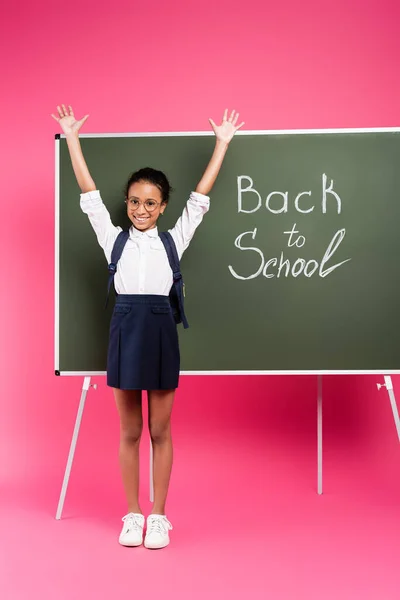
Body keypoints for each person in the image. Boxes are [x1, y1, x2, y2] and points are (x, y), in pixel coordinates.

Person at [51, 104, 244, 549]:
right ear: (128, 203)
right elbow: (88, 196)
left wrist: (222, 144)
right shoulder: (112, 237)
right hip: (123, 331)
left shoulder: (174, 240)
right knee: (130, 431)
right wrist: (72, 139)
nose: (141, 208)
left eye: (150, 203)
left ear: (163, 207)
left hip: (160, 331)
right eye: (135, 201)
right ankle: (132, 513)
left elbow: (201, 198)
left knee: (160, 430)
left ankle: (158, 515)